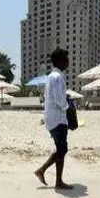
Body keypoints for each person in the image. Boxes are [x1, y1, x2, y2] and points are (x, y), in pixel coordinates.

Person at [34, 48, 73, 190]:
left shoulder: (52, 76)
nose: (68, 62)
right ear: (61, 61)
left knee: (60, 149)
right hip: (58, 119)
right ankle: (41, 170)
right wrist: (68, 107)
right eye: (66, 59)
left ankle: (58, 181)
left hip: (54, 119)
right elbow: (59, 99)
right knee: (62, 150)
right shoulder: (57, 77)